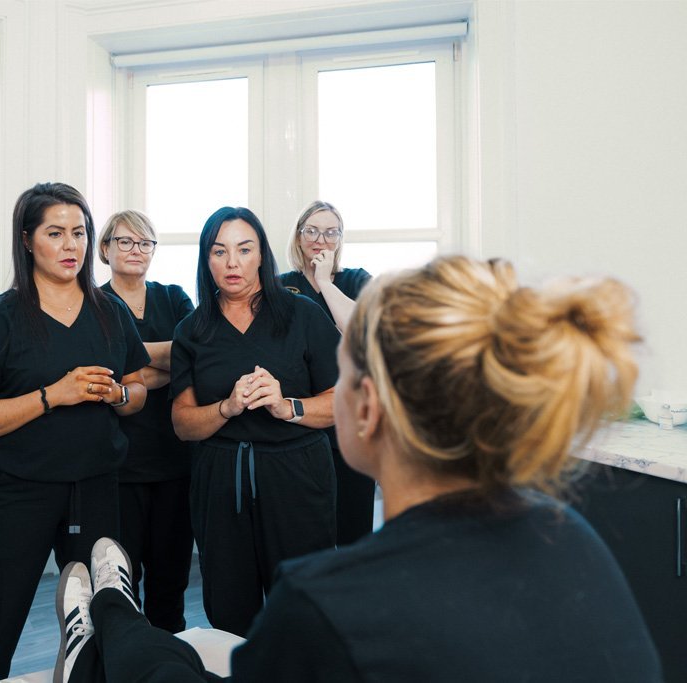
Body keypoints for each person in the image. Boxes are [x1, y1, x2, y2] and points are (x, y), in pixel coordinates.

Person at [51, 255, 663, 683]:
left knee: (164, 670)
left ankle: (99, 621)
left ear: (367, 406)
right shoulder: (573, 540)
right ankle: (112, 613)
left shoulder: (327, 603)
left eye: (342, 374)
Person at [0, 183, 150, 682]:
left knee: (107, 620)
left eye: (78, 233)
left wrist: (117, 396)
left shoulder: (110, 311)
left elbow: (138, 388)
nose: (70, 246)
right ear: (27, 240)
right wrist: (52, 395)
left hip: (98, 487)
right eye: (55, 233)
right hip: (19, 492)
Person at [169, 206, 340, 637]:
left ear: (262, 255)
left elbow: (344, 402)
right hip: (221, 480)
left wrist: (288, 407)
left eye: (244, 249)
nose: (232, 263)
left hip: (297, 475)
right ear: (206, 260)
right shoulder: (191, 330)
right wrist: (225, 408)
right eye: (219, 251)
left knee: (302, 608)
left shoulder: (301, 315)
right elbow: (183, 424)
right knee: (229, 610)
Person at [98, 210, 195, 633]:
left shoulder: (173, 297)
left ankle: (170, 667)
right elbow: (102, 369)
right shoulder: (94, 304)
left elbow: (197, 354)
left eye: (145, 243)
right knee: (124, 583)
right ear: (105, 248)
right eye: (125, 241)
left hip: (177, 462)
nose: (136, 250)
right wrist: (167, 363)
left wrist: (132, 365)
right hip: (120, 468)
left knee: (171, 583)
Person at [279, 200, 375, 546]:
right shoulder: (280, 287)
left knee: (354, 529)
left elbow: (361, 330)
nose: (321, 240)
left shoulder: (356, 279)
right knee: (306, 529)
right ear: (299, 237)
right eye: (312, 231)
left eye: (330, 232)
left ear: (340, 238)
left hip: (351, 419)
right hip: (299, 418)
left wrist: (324, 282)